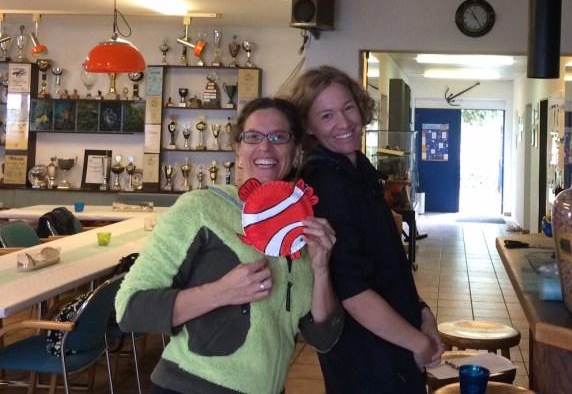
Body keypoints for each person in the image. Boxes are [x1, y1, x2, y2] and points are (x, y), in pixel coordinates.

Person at [115, 97, 343, 394]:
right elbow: (130, 309)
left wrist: (321, 268)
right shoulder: (200, 209)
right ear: (238, 148)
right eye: (253, 137)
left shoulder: (302, 225)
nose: (265, 147)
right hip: (190, 387)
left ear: (297, 150)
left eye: (278, 137)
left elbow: (322, 338)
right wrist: (222, 292)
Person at [282, 65, 443, 394]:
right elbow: (352, 292)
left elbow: (387, 265)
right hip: (368, 358)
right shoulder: (326, 183)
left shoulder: (357, 170)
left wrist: (422, 312)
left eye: (348, 107)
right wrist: (419, 343)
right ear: (308, 125)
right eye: (326, 116)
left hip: (394, 340)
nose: (343, 123)